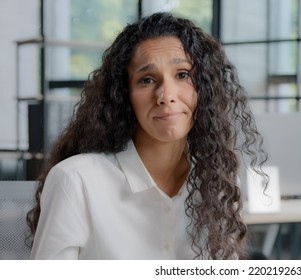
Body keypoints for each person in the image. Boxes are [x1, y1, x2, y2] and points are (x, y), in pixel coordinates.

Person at [26, 12, 267, 260]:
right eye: (147, 79)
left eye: (183, 74)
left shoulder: (216, 179)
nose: (166, 95)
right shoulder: (75, 181)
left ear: (205, 89)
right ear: (124, 95)